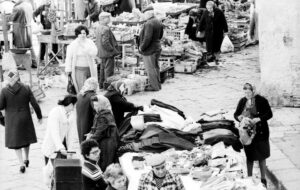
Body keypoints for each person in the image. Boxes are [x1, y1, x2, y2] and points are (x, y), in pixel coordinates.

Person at [0, 70, 43, 173]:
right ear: (18, 78)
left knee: (16, 143)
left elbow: (0, 106)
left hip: (12, 120)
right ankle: (27, 158)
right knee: (26, 139)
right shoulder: (26, 88)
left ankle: (21, 164)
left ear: (8, 79)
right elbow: (34, 103)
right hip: (25, 117)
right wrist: (39, 116)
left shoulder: (4, 91)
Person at [234, 83, 273, 187]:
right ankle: (249, 178)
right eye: (245, 92)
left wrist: (259, 119)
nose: (247, 94)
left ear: (253, 91)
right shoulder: (242, 101)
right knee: (249, 156)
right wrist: (240, 118)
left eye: (249, 92)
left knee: (262, 156)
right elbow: (236, 114)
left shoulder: (262, 100)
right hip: (246, 134)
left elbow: (269, 114)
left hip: (260, 132)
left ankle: (263, 179)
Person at [41, 95, 79, 165]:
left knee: (62, 171)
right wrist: (60, 147)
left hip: (64, 145)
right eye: (75, 105)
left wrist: (70, 150)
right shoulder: (55, 112)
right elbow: (54, 132)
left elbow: (71, 133)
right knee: (51, 171)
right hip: (52, 144)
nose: (75, 107)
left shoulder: (71, 114)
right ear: (71, 105)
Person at [87, 95, 119, 171]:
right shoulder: (101, 113)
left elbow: (99, 132)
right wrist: (90, 133)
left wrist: (89, 140)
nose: (95, 107)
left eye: (97, 105)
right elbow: (95, 127)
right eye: (94, 105)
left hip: (108, 144)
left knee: (105, 163)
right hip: (105, 141)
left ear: (102, 105)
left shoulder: (104, 116)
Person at [65, 25, 98, 93]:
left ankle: (90, 101)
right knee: (82, 88)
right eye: (80, 33)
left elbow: (95, 53)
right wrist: (68, 69)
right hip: (79, 69)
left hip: (90, 68)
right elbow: (69, 58)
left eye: (84, 33)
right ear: (77, 34)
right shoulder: (73, 44)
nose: (82, 35)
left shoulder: (90, 42)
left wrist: (86, 48)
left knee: (91, 86)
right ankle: (81, 101)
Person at [138, 6, 164, 91]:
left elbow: (147, 38)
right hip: (157, 47)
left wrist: (141, 48)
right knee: (155, 67)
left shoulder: (149, 23)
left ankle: (154, 86)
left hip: (150, 49)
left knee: (150, 69)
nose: (144, 16)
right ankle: (158, 85)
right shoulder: (157, 21)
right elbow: (160, 35)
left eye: (144, 14)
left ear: (148, 14)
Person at [10, 0, 38, 68]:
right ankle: (35, 62)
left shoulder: (17, 8)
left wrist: (4, 16)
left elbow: (12, 18)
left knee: (20, 47)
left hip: (19, 30)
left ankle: (23, 64)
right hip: (28, 27)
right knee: (30, 46)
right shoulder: (28, 5)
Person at [95, 12, 119, 89]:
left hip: (101, 52)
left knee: (102, 69)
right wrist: (112, 49)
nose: (110, 19)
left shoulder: (99, 27)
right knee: (109, 70)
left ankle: (101, 84)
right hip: (107, 53)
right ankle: (108, 86)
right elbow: (105, 42)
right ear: (103, 19)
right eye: (108, 17)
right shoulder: (105, 28)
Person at [76, 77, 99, 143]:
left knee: (82, 142)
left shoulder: (79, 95)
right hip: (89, 124)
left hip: (80, 123)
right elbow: (97, 114)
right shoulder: (93, 96)